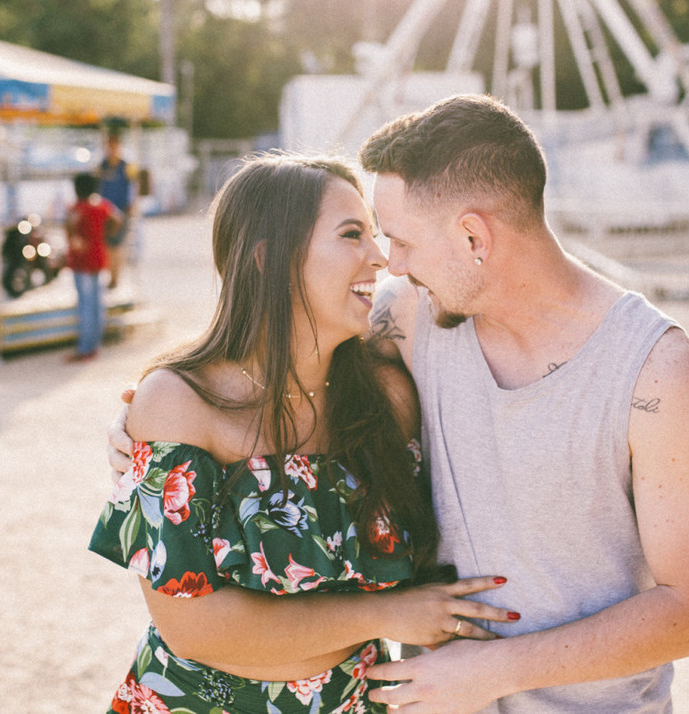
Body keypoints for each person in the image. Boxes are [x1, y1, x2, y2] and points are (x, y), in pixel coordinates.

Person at [109, 96, 689, 712]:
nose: (391, 263)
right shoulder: (415, 317)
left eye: (401, 241)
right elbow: (277, 344)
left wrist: (493, 670)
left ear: (473, 236)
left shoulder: (658, 375)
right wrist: (145, 425)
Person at [89, 155, 517, 713]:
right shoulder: (179, 403)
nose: (380, 257)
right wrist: (388, 613)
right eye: (351, 234)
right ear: (270, 258)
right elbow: (192, 627)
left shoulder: (387, 399)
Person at [66, 172, 122, 362]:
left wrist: (75, 239)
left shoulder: (78, 207)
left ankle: (85, 349)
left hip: (82, 260)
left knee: (85, 306)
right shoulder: (102, 205)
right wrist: (106, 235)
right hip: (98, 255)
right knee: (97, 304)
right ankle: (95, 346)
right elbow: (117, 219)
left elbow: (70, 225)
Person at [96, 131, 137, 289]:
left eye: (114, 146)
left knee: (117, 245)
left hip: (121, 211)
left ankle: (115, 278)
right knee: (107, 246)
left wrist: (131, 206)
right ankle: (111, 276)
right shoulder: (102, 166)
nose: (111, 150)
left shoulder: (126, 167)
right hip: (105, 211)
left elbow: (133, 188)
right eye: (109, 146)